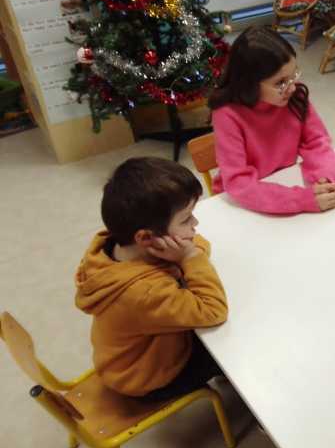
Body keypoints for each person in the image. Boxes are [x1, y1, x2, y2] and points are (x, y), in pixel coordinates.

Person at [75, 157, 227, 400]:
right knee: (231, 345)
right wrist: (188, 257)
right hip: (147, 378)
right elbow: (213, 311)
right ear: (145, 238)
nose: (195, 224)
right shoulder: (144, 293)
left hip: (137, 355)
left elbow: (198, 243)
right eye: (186, 219)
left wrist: (187, 253)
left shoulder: (117, 245)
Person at [209, 25, 335, 214]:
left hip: (281, 181)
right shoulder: (227, 114)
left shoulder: (293, 96)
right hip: (241, 203)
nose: (292, 87)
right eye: (280, 83)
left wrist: (326, 179)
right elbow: (238, 182)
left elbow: (316, 142)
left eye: (293, 75)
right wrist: (301, 200)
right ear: (249, 83)